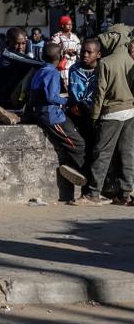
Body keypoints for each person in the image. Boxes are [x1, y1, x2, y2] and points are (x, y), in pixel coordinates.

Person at [28, 43, 90, 204]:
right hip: (51, 116)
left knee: (68, 141)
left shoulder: (40, 70)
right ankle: (84, 177)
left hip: (43, 113)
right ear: (60, 56)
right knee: (78, 144)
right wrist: (67, 100)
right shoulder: (52, 73)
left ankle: (71, 166)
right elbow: (51, 96)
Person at [87, 25, 134, 206]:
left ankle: (93, 193)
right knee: (127, 154)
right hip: (130, 112)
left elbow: (100, 93)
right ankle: (125, 194)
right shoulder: (130, 62)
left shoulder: (105, 62)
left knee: (102, 153)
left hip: (110, 114)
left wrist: (94, 115)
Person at [68, 38, 101, 157]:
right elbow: (71, 92)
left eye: (89, 52)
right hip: (77, 114)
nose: (84, 55)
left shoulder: (102, 70)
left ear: (98, 54)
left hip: (96, 115)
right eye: (82, 51)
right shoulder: (74, 69)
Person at [50, 15, 82, 85]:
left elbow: (79, 47)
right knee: (65, 83)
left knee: (74, 82)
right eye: (68, 24)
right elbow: (52, 49)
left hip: (74, 63)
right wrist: (64, 52)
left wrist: (77, 52)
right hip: (63, 64)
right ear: (62, 25)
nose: (70, 26)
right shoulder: (57, 36)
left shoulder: (74, 36)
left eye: (71, 24)